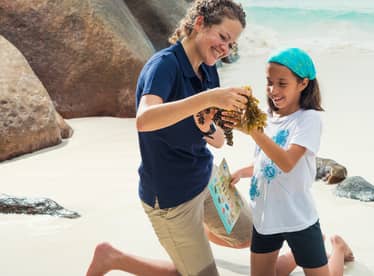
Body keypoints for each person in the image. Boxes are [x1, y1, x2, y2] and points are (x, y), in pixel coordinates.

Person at [86, 1, 306, 276]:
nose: (225, 48)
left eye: (231, 44)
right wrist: (209, 98)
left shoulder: (208, 69)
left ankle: (195, 240)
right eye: (223, 37)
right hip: (171, 197)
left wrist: (224, 124)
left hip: (206, 177)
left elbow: (214, 139)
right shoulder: (165, 66)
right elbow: (145, 119)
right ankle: (112, 257)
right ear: (200, 23)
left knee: (252, 237)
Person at [229, 48, 354, 276]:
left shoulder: (309, 119)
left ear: (303, 84)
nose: (273, 90)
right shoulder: (268, 117)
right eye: (269, 82)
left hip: (298, 220)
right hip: (265, 219)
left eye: (282, 83)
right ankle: (300, 255)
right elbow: (266, 162)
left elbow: (287, 163)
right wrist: (242, 172)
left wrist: (254, 133)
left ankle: (337, 248)